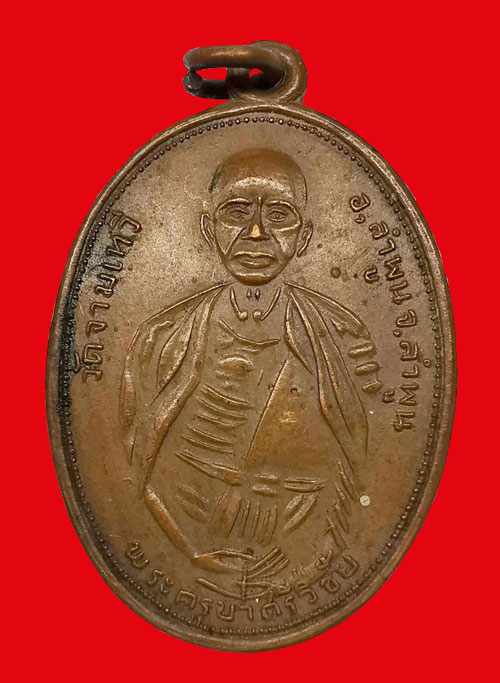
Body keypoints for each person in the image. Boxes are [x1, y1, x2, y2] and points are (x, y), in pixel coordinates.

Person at [119, 149, 381, 595]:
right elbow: (133, 470)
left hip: (299, 556)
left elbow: (358, 473)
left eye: (279, 215)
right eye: (236, 212)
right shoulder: (160, 339)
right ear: (208, 229)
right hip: (190, 541)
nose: (256, 233)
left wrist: (307, 567)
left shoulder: (343, 336)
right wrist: (189, 552)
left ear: (304, 237)